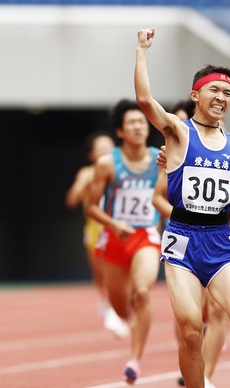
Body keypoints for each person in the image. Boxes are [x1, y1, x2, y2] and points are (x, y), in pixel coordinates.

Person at [134, 27, 230, 388]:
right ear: (196, 94)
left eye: (228, 92)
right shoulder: (178, 132)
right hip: (182, 240)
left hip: (220, 241)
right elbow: (145, 100)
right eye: (214, 90)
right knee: (191, 329)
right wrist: (142, 51)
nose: (222, 97)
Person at [153, 99, 230, 388]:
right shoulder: (177, 148)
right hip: (187, 237)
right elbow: (158, 196)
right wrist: (183, 214)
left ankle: (206, 376)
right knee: (191, 317)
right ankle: (193, 360)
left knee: (219, 311)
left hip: (221, 238)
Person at [85, 99, 163, 384]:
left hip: (145, 236)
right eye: (132, 123)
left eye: (141, 122)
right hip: (114, 239)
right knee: (120, 308)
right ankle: (128, 319)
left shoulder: (159, 160)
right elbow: (91, 207)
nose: (138, 127)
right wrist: (113, 224)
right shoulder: (107, 164)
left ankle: (135, 360)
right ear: (120, 131)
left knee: (142, 292)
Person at [65, 131, 129, 338]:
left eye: (109, 146)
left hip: (121, 229)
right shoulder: (86, 173)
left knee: (123, 276)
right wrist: (84, 183)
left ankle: (117, 310)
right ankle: (109, 307)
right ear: (92, 154)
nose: (106, 150)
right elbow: (72, 200)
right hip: (95, 231)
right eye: (101, 148)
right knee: (101, 277)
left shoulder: (123, 169)